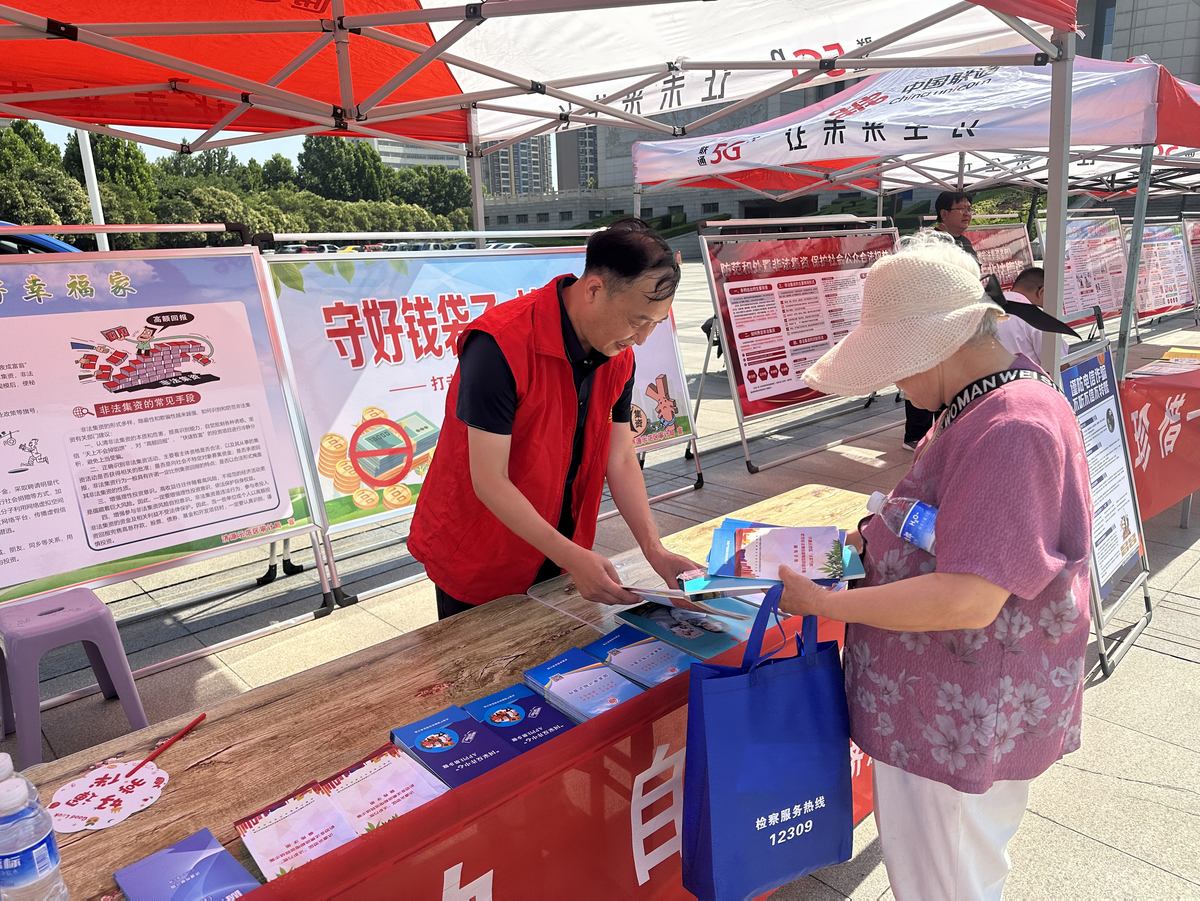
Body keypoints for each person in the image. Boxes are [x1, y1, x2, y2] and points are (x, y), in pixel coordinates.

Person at [779, 232, 1092, 900]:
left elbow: (967, 598)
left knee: (944, 883)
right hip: (951, 708)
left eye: (897, 360)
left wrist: (826, 603)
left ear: (940, 343)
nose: (895, 379)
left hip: (954, 717)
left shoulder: (1010, 426)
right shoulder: (987, 402)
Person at [408, 219, 698, 619]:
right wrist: (575, 558)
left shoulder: (619, 358)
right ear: (594, 289)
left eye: (654, 323)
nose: (642, 338)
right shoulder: (499, 345)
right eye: (636, 321)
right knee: (483, 675)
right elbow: (489, 479)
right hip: (480, 554)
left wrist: (655, 550)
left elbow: (620, 457)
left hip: (558, 554)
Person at [902, 193, 978, 450]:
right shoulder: (930, 243)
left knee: (950, 379)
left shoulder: (965, 243)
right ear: (944, 214)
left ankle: (942, 431)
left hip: (959, 323)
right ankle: (916, 436)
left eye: (969, 208)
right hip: (929, 323)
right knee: (926, 378)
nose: (967, 213)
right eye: (961, 209)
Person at [996, 267, 1067, 371]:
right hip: (1029, 382)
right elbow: (1060, 364)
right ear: (1041, 292)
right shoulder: (1037, 316)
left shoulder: (986, 308)